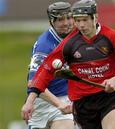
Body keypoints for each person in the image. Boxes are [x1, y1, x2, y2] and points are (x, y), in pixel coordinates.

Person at [21, 0, 115, 129]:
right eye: (78, 21)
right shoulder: (66, 44)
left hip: (108, 98)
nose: (81, 25)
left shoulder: (111, 36)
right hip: (81, 103)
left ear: (95, 17)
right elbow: (44, 71)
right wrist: (29, 102)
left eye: (84, 20)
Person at [21, 1, 75, 129]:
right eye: (61, 20)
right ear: (52, 22)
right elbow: (33, 83)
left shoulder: (76, 37)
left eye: (69, 18)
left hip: (65, 99)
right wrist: (59, 104)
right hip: (42, 102)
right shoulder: (44, 46)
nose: (66, 23)